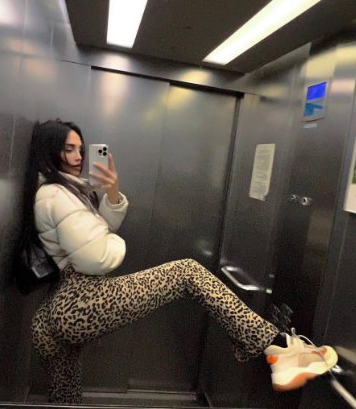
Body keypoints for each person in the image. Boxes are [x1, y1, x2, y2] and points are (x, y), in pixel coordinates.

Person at [25, 119, 338, 404]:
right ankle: (277, 347)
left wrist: (113, 193)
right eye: (68, 149)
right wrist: (112, 242)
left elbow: (95, 233)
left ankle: (279, 350)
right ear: (49, 151)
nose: (78, 156)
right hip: (81, 300)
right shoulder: (56, 194)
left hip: (55, 313)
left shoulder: (62, 190)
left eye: (80, 149)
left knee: (65, 397)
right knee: (187, 272)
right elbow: (96, 257)